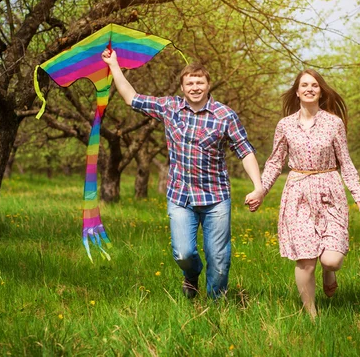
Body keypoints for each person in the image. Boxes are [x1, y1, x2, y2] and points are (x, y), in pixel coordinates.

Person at [102, 49, 263, 299]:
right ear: (182, 86)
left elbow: (245, 151)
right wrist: (113, 65)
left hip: (216, 198)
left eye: (200, 82)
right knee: (183, 254)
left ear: (208, 85)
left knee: (219, 260)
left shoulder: (225, 115)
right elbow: (131, 97)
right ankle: (192, 275)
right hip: (181, 197)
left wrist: (258, 186)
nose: (195, 87)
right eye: (190, 83)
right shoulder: (170, 107)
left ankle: (215, 307)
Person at [245, 69, 360, 318]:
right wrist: (260, 191)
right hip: (298, 193)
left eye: (314, 85)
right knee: (305, 260)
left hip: (330, 192)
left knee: (331, 260)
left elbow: (345, 161)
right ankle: (312, 316)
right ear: (297, 91)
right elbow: (274, 162)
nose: (310, 89)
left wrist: (358, 194)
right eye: (304, 85)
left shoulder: (333, 123)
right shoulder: (285, 125)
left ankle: (328, 271)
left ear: (320, 91)